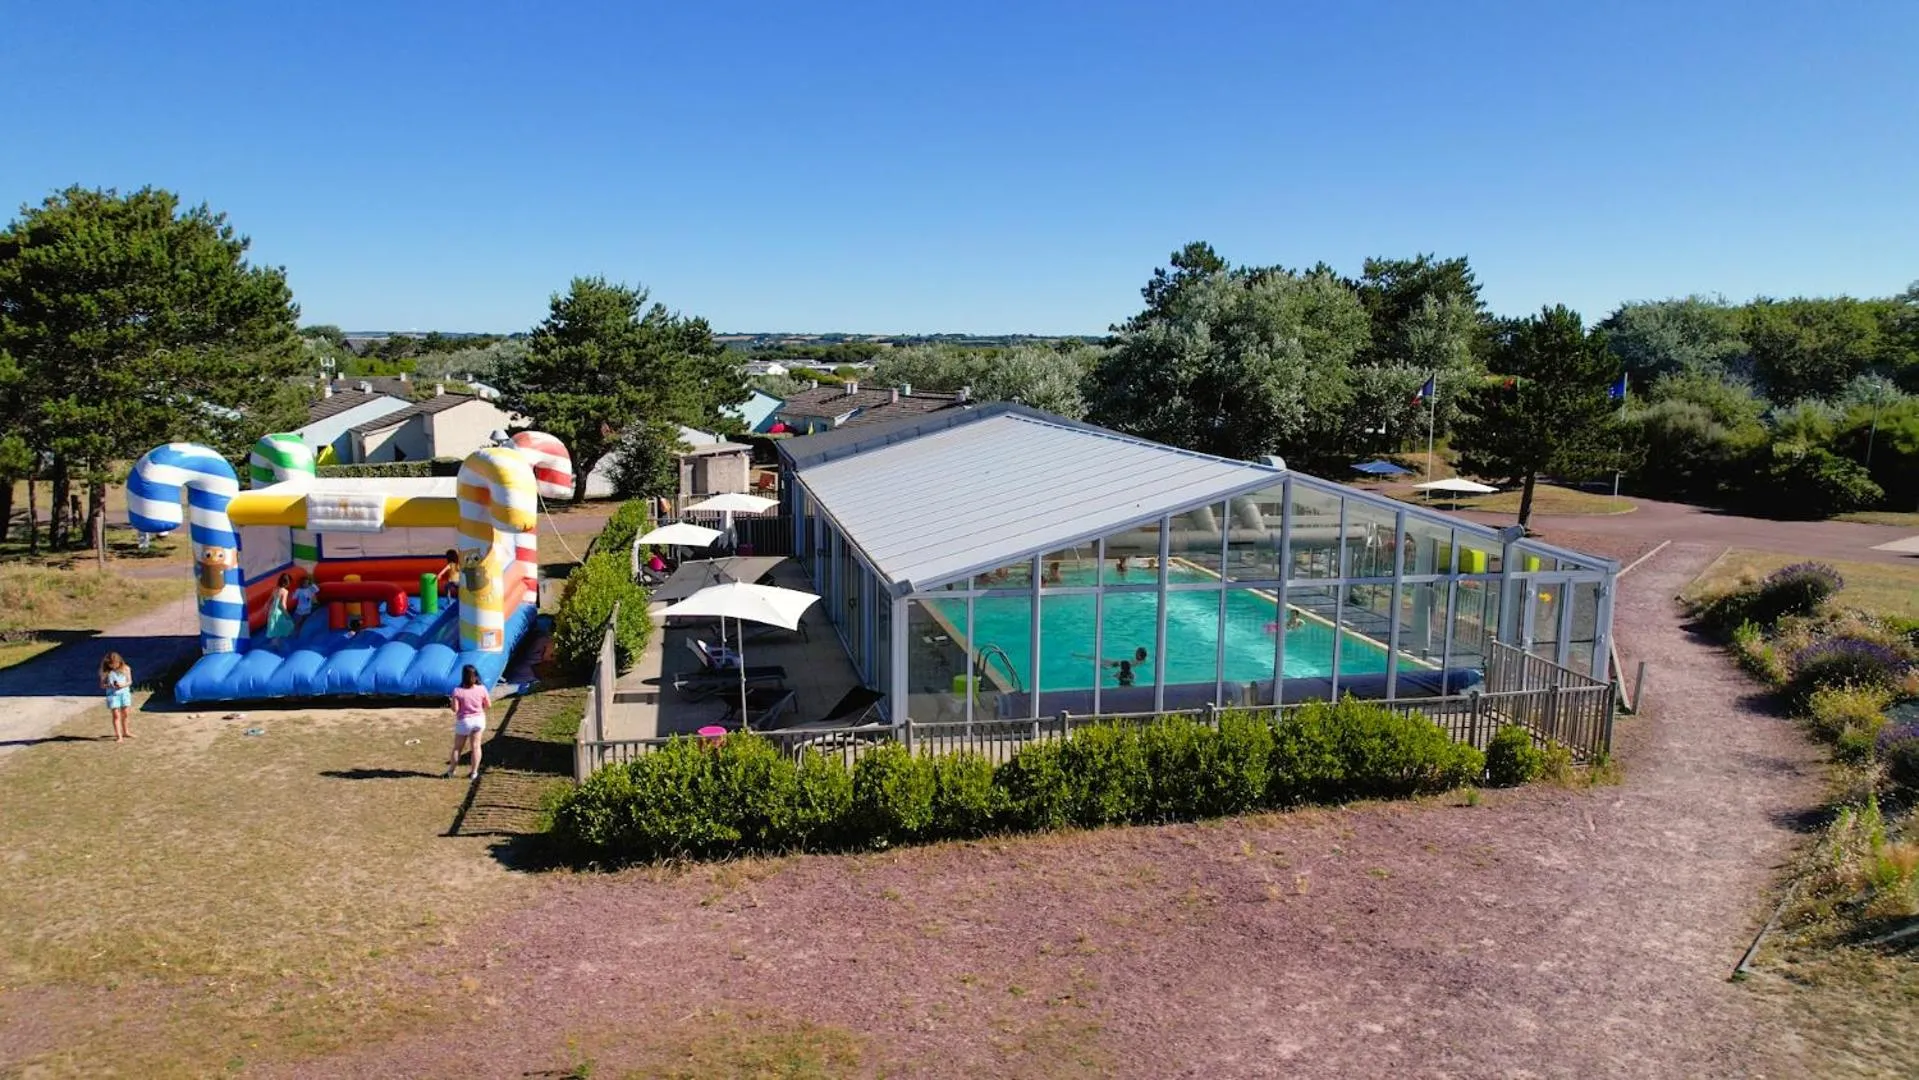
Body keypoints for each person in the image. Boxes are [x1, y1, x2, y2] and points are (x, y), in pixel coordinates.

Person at [445, 664, 490, 781]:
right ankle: (474, 772)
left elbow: (455, 709)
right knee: (476, 747)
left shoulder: (457, 691)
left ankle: (451, 771)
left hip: (464, 721)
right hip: (479, 719)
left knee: (457, 748)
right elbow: (488, 705)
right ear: (475, 676)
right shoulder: (482, 688)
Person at [99, 652, 133, 742]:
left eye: (114, 664)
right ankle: (119, 736)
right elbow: (102, 685)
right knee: (116, 715)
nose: (113, 666)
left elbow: (129, 681)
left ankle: (126, 731)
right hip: (113, 695)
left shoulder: (126, 668)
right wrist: (109, 685)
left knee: (125, 714)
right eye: (110, 664)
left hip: (124, 693)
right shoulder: (106, 671)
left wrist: (122, 685)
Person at [264, 573, 296, 651]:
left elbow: (269, 601)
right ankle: (276, 646)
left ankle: (274, 644)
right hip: (279, 613)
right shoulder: (285, 591)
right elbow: (282, 605)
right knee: (289, 625)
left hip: (272, 612)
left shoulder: (275, 589)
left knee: (276, 630)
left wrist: (266, 609)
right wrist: (287, 615)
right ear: (287, 583)